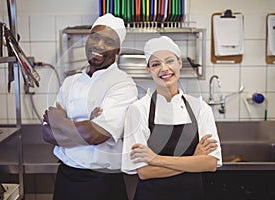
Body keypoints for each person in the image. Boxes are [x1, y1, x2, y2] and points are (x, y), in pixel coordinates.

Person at [42, 13, 138, 200]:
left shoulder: (123, 85)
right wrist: (86, 124)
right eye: (95, 37)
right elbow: (47, 134)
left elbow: (94, 135)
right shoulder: (71, 82)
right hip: (66, 179)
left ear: (117, 50)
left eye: (109, 42)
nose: (99, 45)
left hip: (102, 184)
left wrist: (60, 120)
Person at [121, 36, 222, 200]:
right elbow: (145, 172)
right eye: (155, 64)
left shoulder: (200, 108)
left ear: (180, 63)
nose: (164, 68)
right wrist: (195, 160)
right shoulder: (138, 110)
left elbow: (210, 163)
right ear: (149, 70)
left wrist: (156, 159)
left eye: (170, 61)